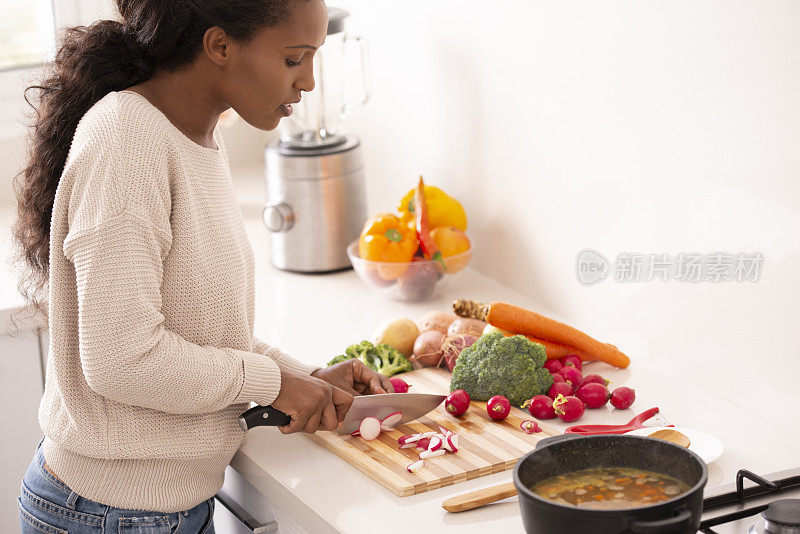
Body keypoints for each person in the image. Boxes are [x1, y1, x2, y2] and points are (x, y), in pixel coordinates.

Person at [11, 0, 393, 532]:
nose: (307, 81)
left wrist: (308, 379)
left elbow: (205, 334)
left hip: (157, 510)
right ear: (219, 46)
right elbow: (122, 360)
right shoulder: (127, 141)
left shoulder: (196, 136)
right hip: (103, 513)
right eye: (293, 59)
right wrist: (272, 383)